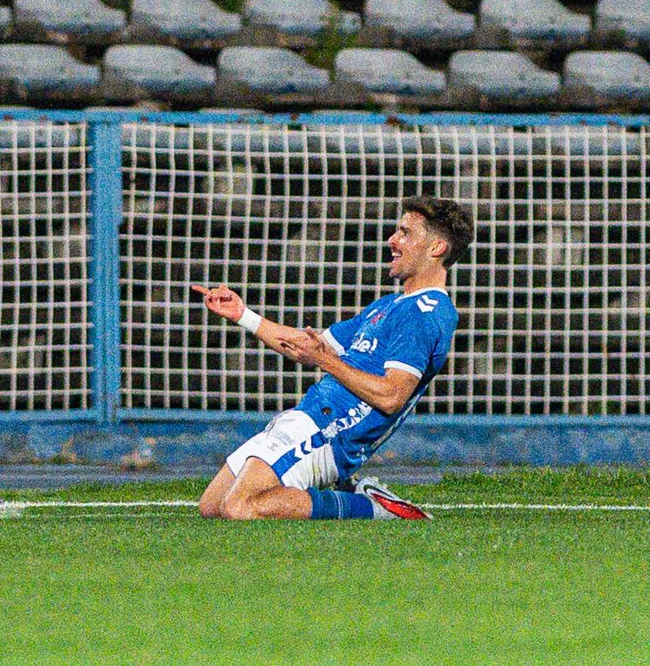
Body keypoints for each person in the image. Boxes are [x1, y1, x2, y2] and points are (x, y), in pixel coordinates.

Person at [192, 195, 473, 521]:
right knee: (211, 506)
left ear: (437, 248)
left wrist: (327, 362)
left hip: (332, 430)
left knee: (239, 507)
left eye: (405, 233)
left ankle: (371, 508)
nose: (392, 240)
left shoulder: (427, 313)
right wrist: (243, 315)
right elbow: (310, 345)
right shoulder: (388, 306)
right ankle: (348, 492)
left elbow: (393, 395)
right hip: (309, 416)